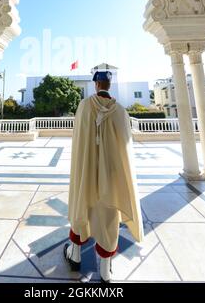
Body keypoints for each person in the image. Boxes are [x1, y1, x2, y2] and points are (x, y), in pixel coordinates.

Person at [64, 69, 144, 283]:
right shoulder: (120, 111)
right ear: (109, 85)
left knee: (83, 205)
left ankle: (75, 255)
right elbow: (125, 148)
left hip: (86, 171)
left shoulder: (83, 106)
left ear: (96, 85)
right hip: (111, 174)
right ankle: (106, 271)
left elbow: (79, 142)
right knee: (108, 215)